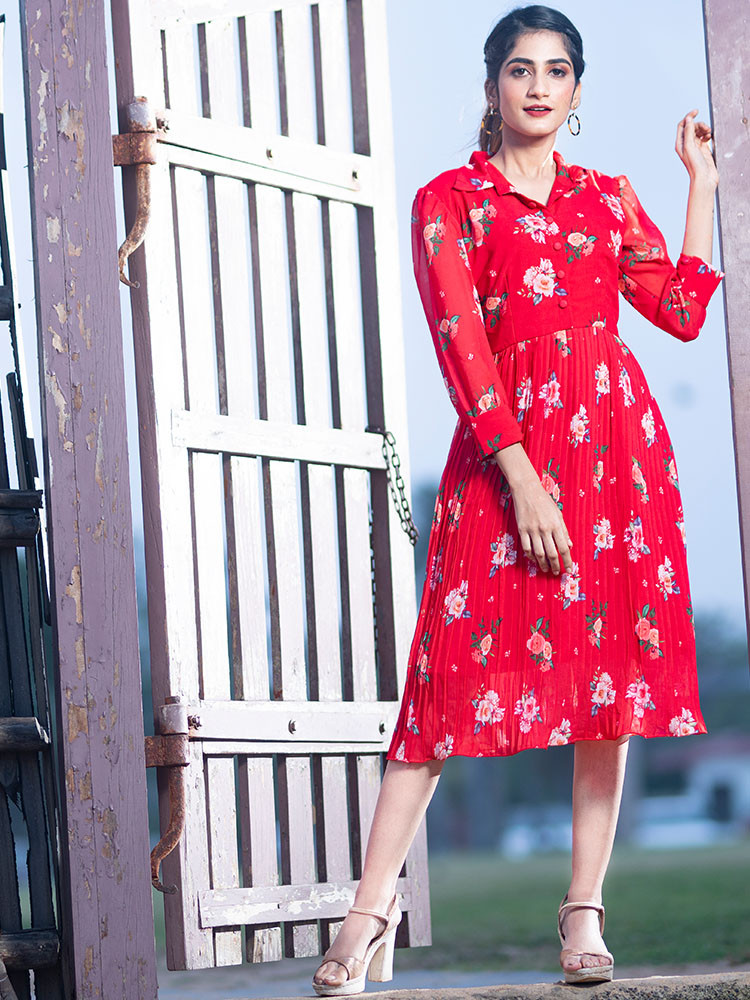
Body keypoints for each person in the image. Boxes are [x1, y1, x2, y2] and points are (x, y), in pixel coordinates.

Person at [312, 4, 724, 994]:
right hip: (508, 467)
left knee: (608, 692)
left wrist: (699, 189)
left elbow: (677, 311)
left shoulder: (606, 197)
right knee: (442, 690)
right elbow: (462, 347)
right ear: (492, 84)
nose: (538, 86)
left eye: (556, 70)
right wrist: (523, 477)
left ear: (576, 92)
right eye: (519, 69)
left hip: (618, 467)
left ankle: (583, 917)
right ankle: (367, 914)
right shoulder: (447, 201)